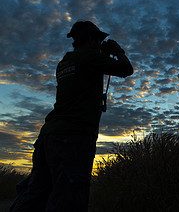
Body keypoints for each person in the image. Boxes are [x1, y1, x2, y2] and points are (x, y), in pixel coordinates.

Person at [10, 21, 134, 212]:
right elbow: (126, 69)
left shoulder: (64, 63)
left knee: (35, 194)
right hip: (74, 137)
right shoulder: (90, 58)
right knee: (69, 198)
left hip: (48, 136)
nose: (101, 43)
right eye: (99, 39)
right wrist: (118, 51)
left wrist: (100, 53)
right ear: (91, 40)